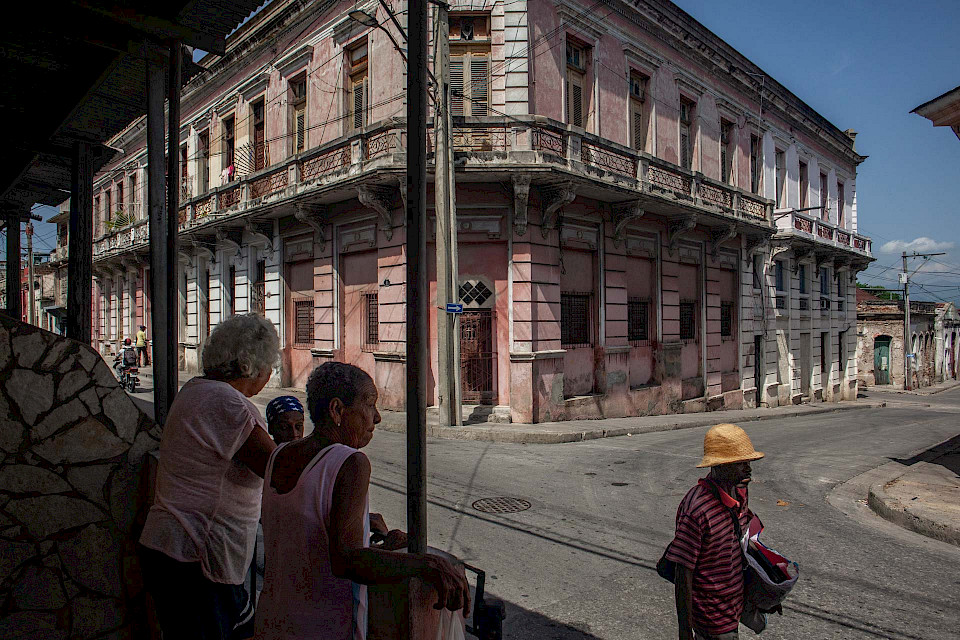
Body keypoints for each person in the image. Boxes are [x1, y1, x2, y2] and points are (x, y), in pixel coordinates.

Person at [254, 362, 469, 639]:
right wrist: (426, 564)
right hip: (323, 628)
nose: (377, 417)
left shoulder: (279, 455)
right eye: (369, 405)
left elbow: (302, 524)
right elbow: (346, 560)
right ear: (337, 410)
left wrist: (366, 530)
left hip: (272, 620)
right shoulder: (350, 462)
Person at [139, 314, 279, 640]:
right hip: (196, 558)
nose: (270, 374)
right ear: (255, 367)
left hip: (169, 547)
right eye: (269, 364)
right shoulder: (229, 404)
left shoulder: (196, 389)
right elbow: (278, 470)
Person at [666, 423, 764, 640]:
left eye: (747, 461)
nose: (748, 468)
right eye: (740, 463)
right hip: (712, 618)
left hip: (735, 604)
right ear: (718, 466)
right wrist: (684, 631)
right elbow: (683, 573)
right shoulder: (698, 509)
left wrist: (764, 593)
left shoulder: (740, 493)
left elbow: (741, 544)